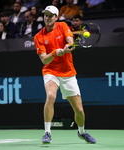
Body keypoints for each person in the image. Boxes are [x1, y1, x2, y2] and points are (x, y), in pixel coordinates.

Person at [34, 5, 96, 144]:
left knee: (79, 110)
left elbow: (70, 41)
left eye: (51, 15)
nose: (47, 17)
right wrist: (55, 52)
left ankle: (81, 132)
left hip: (68, 72)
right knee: (50, 95)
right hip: (51, 71)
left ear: (56, 17)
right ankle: (47, 133)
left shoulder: (62, 26)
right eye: (46, 15)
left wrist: (69, 46)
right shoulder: (39, 36)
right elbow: (44, 60)